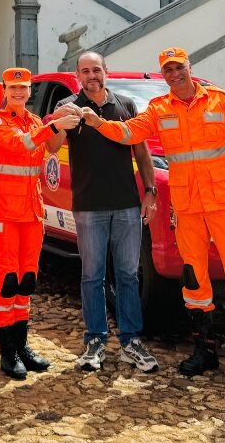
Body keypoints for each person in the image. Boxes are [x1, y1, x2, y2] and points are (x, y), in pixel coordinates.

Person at [82, 47, 225, 388]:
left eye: (179, 68)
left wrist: (220, 167)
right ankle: (205, 350)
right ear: (164, 75)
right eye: (168, 70)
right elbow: (130, 133)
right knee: (194, 277)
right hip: (187, 205)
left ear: (189, 67)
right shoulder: (159, 109)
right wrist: (99, 123)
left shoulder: (220, 100)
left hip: (224, 202)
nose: (175, 74)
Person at [52, 51, 160, 374]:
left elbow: (141, 151)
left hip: (127, 204)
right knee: (92, 276)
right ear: (78, 75)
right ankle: (95, 341)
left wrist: (150, 191)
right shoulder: (68, 106)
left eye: (96, 70)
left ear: (105, 72)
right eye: (85, 71)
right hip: (88, 207)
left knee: (127, 276)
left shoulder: (125, 105)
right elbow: (51, 147)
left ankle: (131, 342)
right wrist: (59, 123)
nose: (91, 76)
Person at [0, 67, 81, 378]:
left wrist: (62, 121)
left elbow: (52, 146)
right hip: (2, 211)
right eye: (13, 88)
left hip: (30, 210)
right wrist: (54, 126)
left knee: (27, 277)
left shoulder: (36, 121)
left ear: (28, 91)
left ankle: (22, 345)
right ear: (5, 91)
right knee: (7, 279)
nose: (19, 93)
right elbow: (20, 144)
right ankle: (7, 351)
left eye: (23, 88)